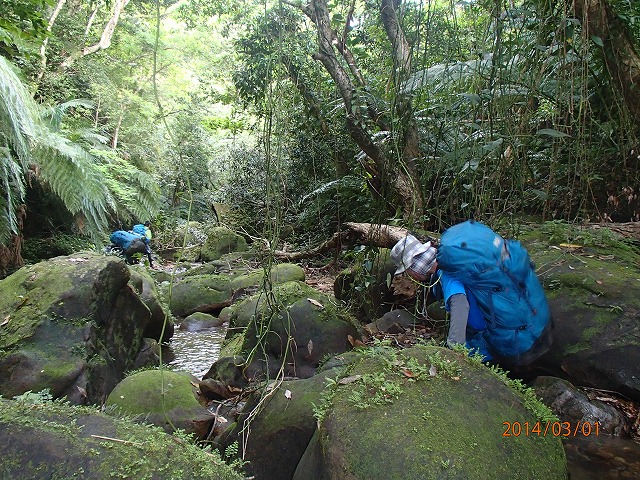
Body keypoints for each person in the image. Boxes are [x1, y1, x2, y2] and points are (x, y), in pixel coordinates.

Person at [390, 234, 491, 360]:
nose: (410, 276)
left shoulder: (447, 272)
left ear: (414, 264)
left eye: (407, 271)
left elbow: (459, 303)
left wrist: (455, 350)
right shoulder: (452, 262)